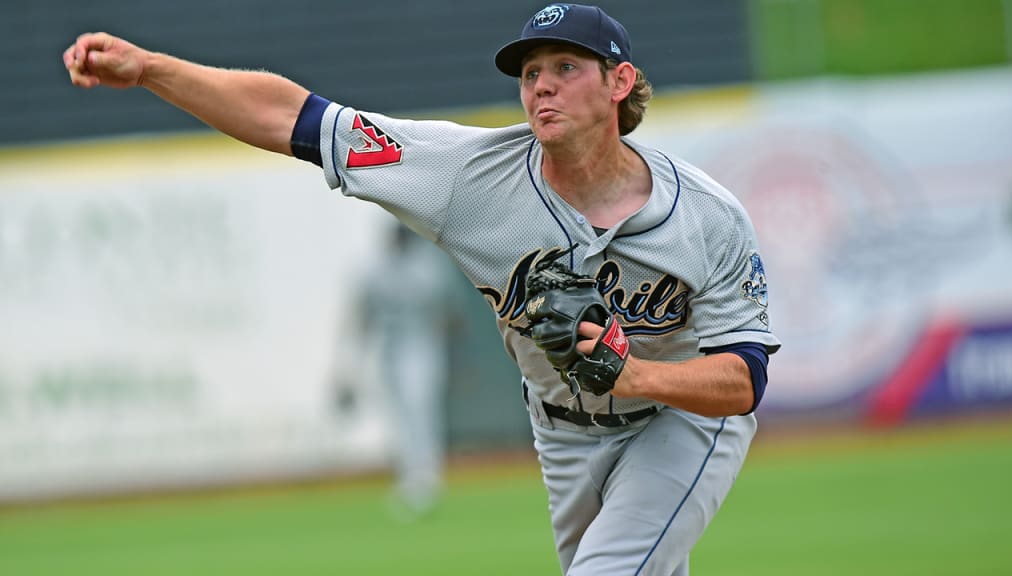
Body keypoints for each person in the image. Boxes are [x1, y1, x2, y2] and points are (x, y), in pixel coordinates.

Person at [64, 4, 781, 574]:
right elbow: (296, 117)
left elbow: (744, 377)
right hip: (563, 432)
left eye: (567, 66)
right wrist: (151, 67)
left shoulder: (704, 216)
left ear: (621, 83)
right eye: (531, 73)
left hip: (679, 420)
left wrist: (635, 374)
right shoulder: (467, 177)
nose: (543, 86)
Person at [361, 223, 452, 517]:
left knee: (420, 410)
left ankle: (427, 478)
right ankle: (409, 477)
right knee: (400, 414)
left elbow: (447, 311)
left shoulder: (428, 264)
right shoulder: (377, 268)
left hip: (421, 345)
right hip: (389, 348)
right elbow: (365, 311)